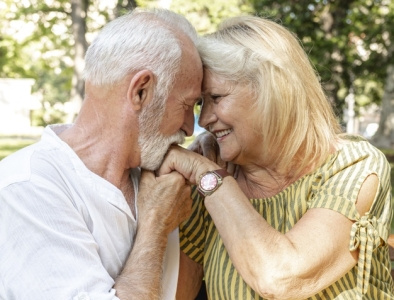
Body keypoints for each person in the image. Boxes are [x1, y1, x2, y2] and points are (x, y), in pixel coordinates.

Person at [157, 15, 394, 300]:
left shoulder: (354, 165)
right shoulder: (209, 181)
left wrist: (210, 178)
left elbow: (282, 278)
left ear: (272, 91)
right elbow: (172, 295)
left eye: (217, 98)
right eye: (200, 103)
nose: (204, 119)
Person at [0, 8, 203, 300]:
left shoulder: (163, 180)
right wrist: (156, 225)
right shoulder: (26, 187)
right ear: (141, 91)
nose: (189, 127)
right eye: (187, 104)